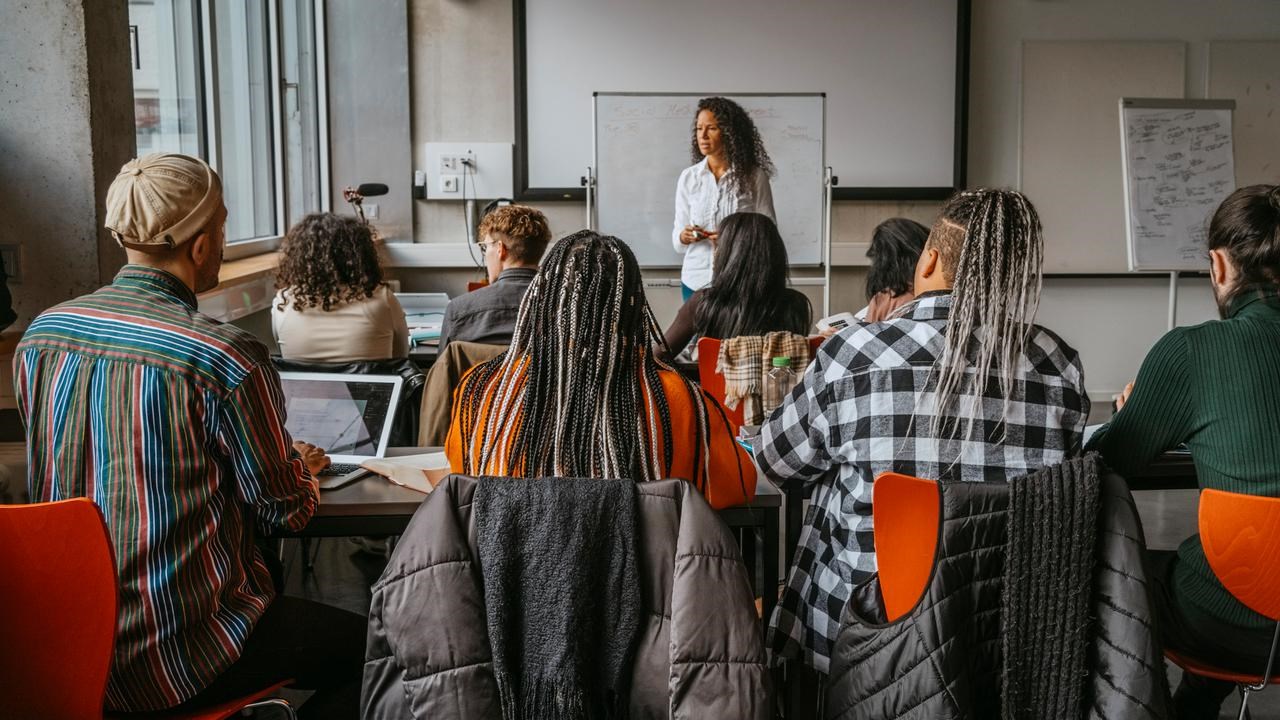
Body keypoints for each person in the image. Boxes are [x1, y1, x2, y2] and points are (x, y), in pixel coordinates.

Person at [14, 153, 365, 718]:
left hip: (61, 645)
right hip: (179, 651)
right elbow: (285, 513)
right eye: (223, 230)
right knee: (383, 652)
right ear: (201, 245)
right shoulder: (223, 356)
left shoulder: (43, 334)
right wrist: (302, 466)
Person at [755, 188, 1089, 675]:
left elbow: (775, 461)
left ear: (929, 259)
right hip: (1001, 642)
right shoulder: (1056, 365)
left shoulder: (852, 354)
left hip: (866, 636)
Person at [1087, 184, 1280, 720]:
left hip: (1228, 626)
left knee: (1126, 572)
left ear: (1219, 266)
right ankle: (1196, 701)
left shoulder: (1192, 351)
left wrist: (1132, 413)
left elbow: (1107, 462)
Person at [446, 230, 754, 510]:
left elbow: (465, 475)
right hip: (647, 570)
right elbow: (737, 488)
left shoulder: (481, 390)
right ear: (633, 305)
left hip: (506, 570)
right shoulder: (681, 398)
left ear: (544, 299)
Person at [662, 211, 811, 359]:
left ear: (732, 255)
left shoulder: (702, 302)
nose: (715, 252)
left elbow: (655, 359)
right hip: (779, 382)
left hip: (715, 383)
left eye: (720, 245)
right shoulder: (797, 304)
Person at [672, 96, 775, 301]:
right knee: (698, 335)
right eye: (699, 128)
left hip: (741, 278)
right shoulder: (689, 177)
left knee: (734, 334)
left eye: (711, 128)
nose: (703, 135)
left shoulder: (754, 177)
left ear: (729, 133)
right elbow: (677, 240)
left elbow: (768, 232)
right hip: (695, 279)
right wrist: (685, 236)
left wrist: (733, 238)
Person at [272, 212, 408, 362]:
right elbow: (401, 357)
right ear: (361, 254)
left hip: (302, 387)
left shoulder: (283, 301)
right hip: (370, 386)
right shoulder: (382, 299)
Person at [438, 203, 551, 351]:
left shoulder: (458, 310)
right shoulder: (568, 308)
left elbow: (444, 370)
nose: (485, 255)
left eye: (485, 247)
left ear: (500, 249)